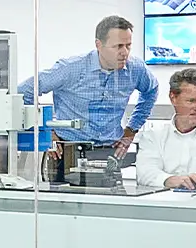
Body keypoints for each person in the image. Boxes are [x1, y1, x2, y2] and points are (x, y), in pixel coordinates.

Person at [15, 15, 159, 155]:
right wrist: (45, 133)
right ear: (99, 45)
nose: (125, 52)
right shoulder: (71, 68)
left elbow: (151, 91)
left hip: (110, 150)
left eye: (128, 46)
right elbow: (24, 91)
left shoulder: (136, 69)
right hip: (67, 150)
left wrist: (131, 130)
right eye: (118, 46)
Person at [126, 66, 196, 192]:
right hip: (163, 205)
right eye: (191, 101)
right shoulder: (154, 136)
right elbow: (145, 173)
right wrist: (169, 180)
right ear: (173, 98)